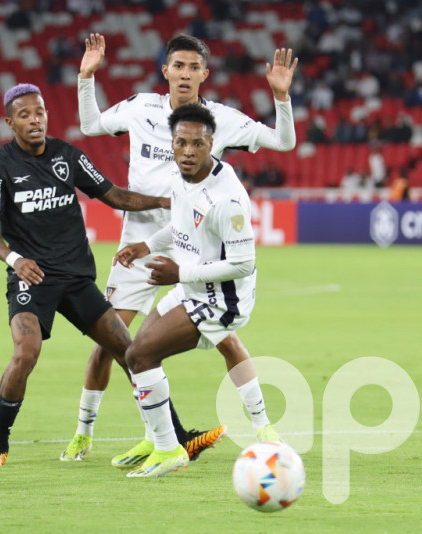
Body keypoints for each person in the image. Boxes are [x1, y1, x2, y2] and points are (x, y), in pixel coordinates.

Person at [62, 33, 294, 466]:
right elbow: (91, 126)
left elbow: (284, 142)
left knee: (223, 336)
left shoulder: (219, 120)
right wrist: (85, 77)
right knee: (109, 340)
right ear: (164, 70)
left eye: (194, 67)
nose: (185, 74)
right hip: (141, 241)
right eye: (178, 66)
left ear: (205, 74)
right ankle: (85, 434)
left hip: (194, 244)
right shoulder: (140, 108)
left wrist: (281, 97)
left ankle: (262, 427)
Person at [0, 83, 171, 468]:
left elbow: (117, 196)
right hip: (31, 278)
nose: (35, 120)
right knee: (25, 353)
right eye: (26, 115)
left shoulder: (67, 156)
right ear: (9, 122)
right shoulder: (0, 166)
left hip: (77, 279)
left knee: (129, 351)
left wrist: (166, 200)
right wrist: (14, 260)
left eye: (41, 112)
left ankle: (168, 437)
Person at [116, 103, 271, 477]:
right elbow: (181, 224)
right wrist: (148, 246)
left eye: (197, 144)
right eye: (181, 142)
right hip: (193, 287)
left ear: (211, 144)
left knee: (140, 355)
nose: (188, 151)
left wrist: (180, 272)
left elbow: (244, 263)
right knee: (132, 353)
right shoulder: (179, 175)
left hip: (221, 298)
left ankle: (170, 449)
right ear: (172, 143)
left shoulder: (228, 199)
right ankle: (159, 439)